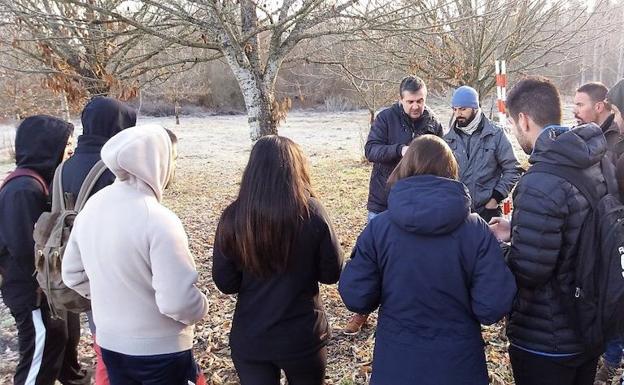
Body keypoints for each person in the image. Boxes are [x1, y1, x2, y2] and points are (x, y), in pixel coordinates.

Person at [339, 134, 516, 385]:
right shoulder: (475, 229)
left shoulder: (380, 229)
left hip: (397, 365)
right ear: (451, 169)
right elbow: (492, 305)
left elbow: (356, 294)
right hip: (459, 366)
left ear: (407, 167)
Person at [62, 124, 208, 385]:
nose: (173, 167)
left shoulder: (93, 206)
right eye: (172, 159)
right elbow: (178, 302)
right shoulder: (159, 219)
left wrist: (113, 294)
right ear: (156, 161)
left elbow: (71, 274)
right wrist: (201, 306)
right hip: (160, 350)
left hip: (110, 342)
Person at [489, 77, 607, 385]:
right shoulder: (593, 162)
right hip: (589, 324)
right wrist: (517, 228)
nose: (516, 134)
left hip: (547, 338)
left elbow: (529, 271)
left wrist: (496, 251)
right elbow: (577, 228)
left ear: (524, 120)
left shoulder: (539, 181)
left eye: (515, 125)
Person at [212, 135, 343, 385]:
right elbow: (332, 272)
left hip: (252, 335)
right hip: (302, 334)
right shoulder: (312, 212)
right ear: (297, 168)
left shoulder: (234, 216)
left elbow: (226, 282)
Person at [348, 75, 443, 334]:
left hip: (418, 203)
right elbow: (371, 151)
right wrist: (400, 150)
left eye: (421, 100)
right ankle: (362, 311)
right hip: (383, 201)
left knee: (413, 259)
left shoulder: (433, 122)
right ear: (401, 99)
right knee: (374, 257)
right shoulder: (385, 118)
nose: (416, 106)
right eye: (411, 101)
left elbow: (440, 158)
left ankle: (408, 309)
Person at [0, 115, 89, 385]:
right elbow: (24, 247)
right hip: (31, 288)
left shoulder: (38, 180)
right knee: (42, 347)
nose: (71, 150)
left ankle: (74, 379)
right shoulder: (23, 189)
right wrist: (44, 285)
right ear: (47, 146)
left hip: (43, 284)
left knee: (63, 336)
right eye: (67, 144)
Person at [60, 96, 136, 385]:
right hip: (114, 269)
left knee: (101, 337)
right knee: (119, 349)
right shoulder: (113, 168)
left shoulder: (63, 168)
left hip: (75, 267)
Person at [444, 85, 521, 222]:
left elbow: (513, 169)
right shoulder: (447, 139)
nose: (458, 114)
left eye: (463, 109)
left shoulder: (496, 134)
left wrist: (496, 198)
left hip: (488, 213)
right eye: (455, 109)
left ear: (475, 107)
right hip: (456, 212)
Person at [574, 82, 622, 151]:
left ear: (599, 107)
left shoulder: (617, 138)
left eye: (580, 105)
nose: (574, 111)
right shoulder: (580, 133)